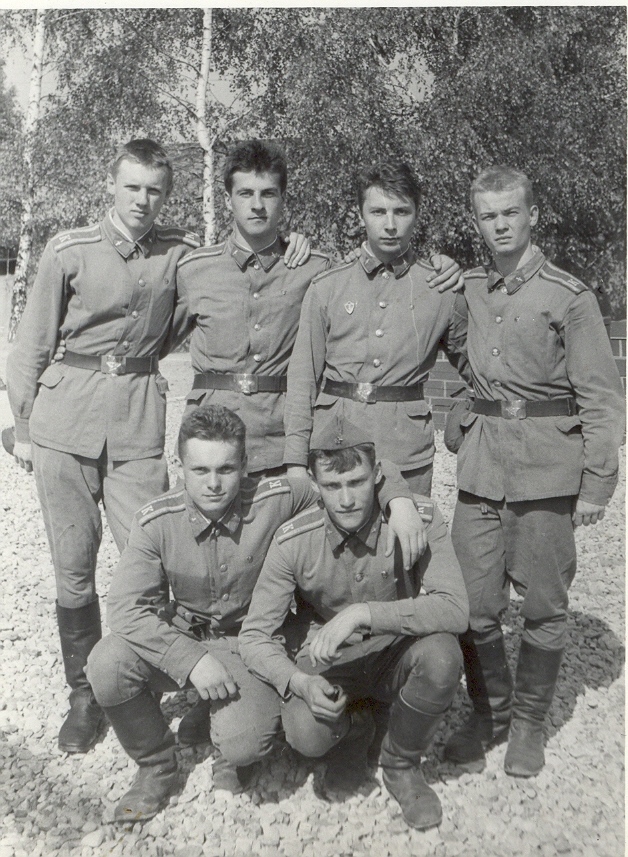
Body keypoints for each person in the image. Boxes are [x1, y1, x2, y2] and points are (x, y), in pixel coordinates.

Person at [85, 404, 427, 823]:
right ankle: (156, 765)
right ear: (180, 466)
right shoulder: (157, 521)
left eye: (226, 469)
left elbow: (353, 472)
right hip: (185, 635)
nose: (213, 484)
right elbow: (125, 608)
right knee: (106, 663)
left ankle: (229, 733)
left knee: (243, 745)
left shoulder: (277, 498)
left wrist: (399, 499)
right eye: (200, 470)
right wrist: (191, 662)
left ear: (245, 465)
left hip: (249, 643)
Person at [5, 139, 202, 755]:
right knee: (73, 566)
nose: (143, 200)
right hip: (65, 422)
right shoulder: (69, 250)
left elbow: (213, 298)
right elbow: (32, 344)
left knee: (152, 557)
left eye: (155, 190)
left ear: (166, 195)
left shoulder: (181, 254)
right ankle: (85, 697)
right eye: (132, 186)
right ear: (110, 186)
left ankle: (148, 681)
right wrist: (25, 428)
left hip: (138, 423)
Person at [443, 166, 625, 778]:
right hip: (480, 469)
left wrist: (598, 483)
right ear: (477, 223)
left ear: (532, 216)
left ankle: (527, 724)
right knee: (471, 602)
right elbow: (455, 350)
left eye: (510, 213)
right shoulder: (467, 287)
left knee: (544, 603)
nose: (500, 225)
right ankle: (489, 713)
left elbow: (602, 396)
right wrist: (463, 409)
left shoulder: (569, 296)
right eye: (488, 216)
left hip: (547, 468)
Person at [175, 142, 463, 478]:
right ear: (227, 200)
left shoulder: (314, 268)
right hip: (208, 438)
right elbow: (155, 342)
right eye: (245, 194)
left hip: (278, 438)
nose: (257, 205)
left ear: (283, 199)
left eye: (268, 193)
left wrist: (443, 265)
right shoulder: (193, 269)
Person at [239, 415, 469, 831]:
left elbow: (455, 608)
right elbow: (255, 635)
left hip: (394, 651)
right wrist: (298, 683)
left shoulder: (416, 519)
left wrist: (364, 613)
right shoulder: (294, 539)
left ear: (378, 475)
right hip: (331, 661)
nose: (345, 499)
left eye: (357, 482)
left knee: (441, 658)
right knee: (306, 735)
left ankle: (401, 765)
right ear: (314, 484)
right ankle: (355, 727)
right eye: (332, 486)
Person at [283, 160, 469, 497]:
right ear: (360, 216)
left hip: (406, 450)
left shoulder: (439, 289)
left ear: (417, 214)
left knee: (408, 529)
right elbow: (302, 380)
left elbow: (483, 369)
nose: (390, 225)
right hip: (336, 444)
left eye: (402, 211)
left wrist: (464, 415)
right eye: (378, 212)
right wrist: (296, 460)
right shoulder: (328, 286)